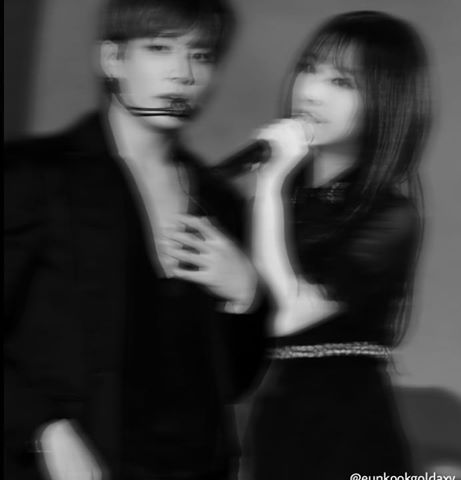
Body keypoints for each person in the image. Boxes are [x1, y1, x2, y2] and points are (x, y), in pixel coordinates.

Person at [4, 1, 269, 479]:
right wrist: (44, 429)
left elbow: (233, 381)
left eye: (202, 55)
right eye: (160, 48)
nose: (183, 73)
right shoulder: (34, 178)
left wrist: (246, 295)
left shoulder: (221, 204)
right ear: (113, 59)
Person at [243, 10, 432, 479]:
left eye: (342, 82)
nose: (311, 92)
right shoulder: (279, 199)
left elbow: (288, 313)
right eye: (309, 68)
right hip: (275, 421)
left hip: (347, 429)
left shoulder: (392, 216)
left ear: (384, 100)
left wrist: (269, 184)